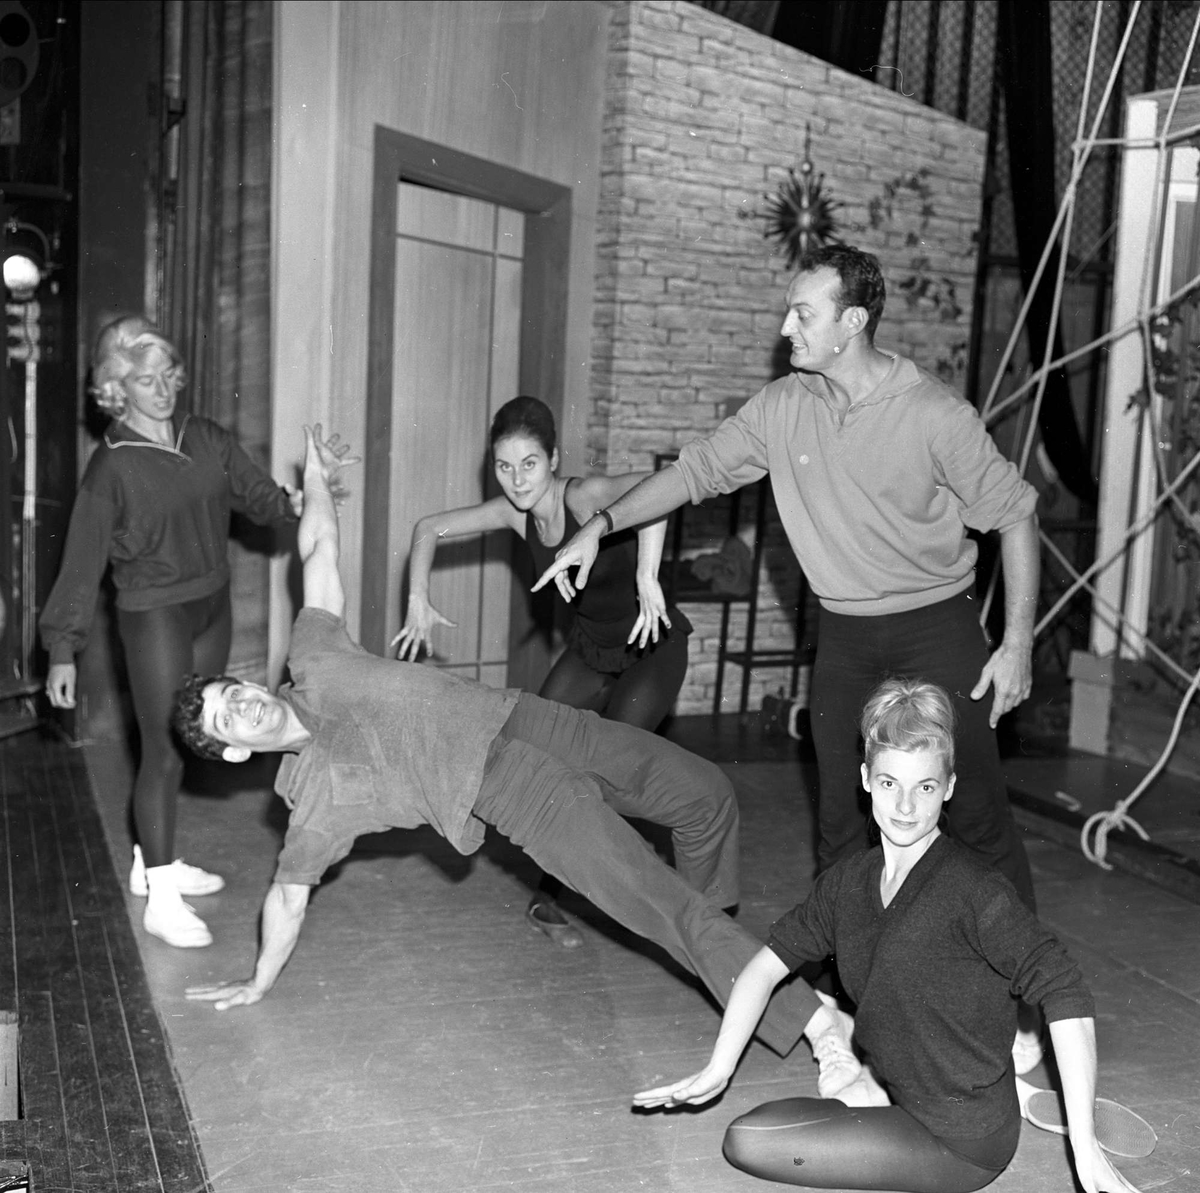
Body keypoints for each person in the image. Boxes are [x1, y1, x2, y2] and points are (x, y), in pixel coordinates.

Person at [172, 426, 855, 1084]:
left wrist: (316, 477)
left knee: (706, 793)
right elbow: (287, 900)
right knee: (661, 897)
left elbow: (318, 546)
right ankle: (817, 1024)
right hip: (509, 791)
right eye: (227, 717)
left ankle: (726, 966)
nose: (243, 704)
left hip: (530, 718)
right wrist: (258, 980)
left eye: (233, 690)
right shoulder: (313, 806)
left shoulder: (313, 655)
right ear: (234, 751)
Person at [533, 244, 1039, 921]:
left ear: (852, 322)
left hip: (937, 625)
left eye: (803, 314)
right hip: (846, 636)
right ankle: (844, 993)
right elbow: (694, 472)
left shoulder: (933, 414)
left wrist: (1017, 645)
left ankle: (1030, 1009)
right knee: (840, 821)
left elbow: (1016, 513)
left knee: (975, 813)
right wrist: (600, 524)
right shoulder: (781, 409)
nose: (785, 329)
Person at [633, 679, 1146, 1193]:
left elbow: (1065, 989)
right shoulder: (848, 883)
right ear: (864, 779)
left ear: (947, 787)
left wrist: (1084, 1149)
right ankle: (867, 1085)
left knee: (749, 1140)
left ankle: (875, 1091)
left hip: (963, 1141)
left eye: (924, 786)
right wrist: (719, 1068)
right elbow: (765, 966)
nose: (904, 806)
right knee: (759, 1126)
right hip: (901, 1092)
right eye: (888, 783)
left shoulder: (975, 891)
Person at [39, 316, 315, 949]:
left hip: (210, 603)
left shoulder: (206, 436)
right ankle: (161, 896)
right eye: (144, 379)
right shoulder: (109, 468)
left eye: (168, 375)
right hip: (153, 612)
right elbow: (81, 563)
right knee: (163, 747)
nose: (162, 389)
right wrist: (62, 650)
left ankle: (149, 859)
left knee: (194, 741)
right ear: (116, 389)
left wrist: (304, 498)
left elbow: (261, 500)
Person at [393, 395, 692, 947]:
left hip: (650, 644)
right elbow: (428, 526)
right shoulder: (515, 512)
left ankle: (660, 867)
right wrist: (417, 599)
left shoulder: (585, 495)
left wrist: (648, 576)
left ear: (553, 458)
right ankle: (552, 894)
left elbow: (666, 484)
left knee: (612, 766)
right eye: (504, 467)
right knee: (546, 755)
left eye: (528, 464)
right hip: (591, 648)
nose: (516, 480)